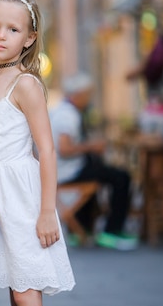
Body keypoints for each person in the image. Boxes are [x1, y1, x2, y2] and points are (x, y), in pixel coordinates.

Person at [0, 0, 75, 305]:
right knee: (9, 285)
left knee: (26, 287)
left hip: (20, 197)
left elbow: (47, 150)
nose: (1, 36)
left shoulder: (25, 83)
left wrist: (47, 211)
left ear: (29, 38)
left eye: (12, 29)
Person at [49, 72, 138, 250]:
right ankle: (112, 231)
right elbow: (65, 149)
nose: (89, 99)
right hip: (67, 170)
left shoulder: (60, 110)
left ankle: (83, 227)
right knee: (121, 177)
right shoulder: (68, 116)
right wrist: (92, 146)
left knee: (97, 169)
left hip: (62, 169)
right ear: (78, 95)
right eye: (88, 95)